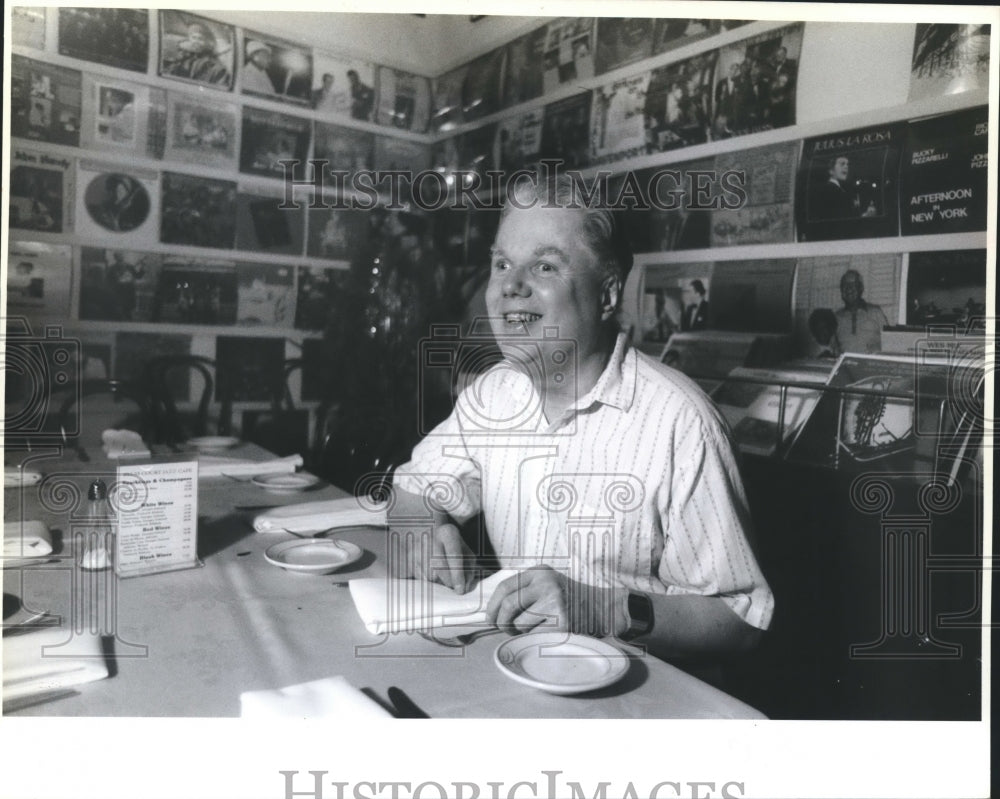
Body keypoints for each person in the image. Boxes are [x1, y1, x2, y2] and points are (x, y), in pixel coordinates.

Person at [389, 173, 773, 662]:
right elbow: (411, 490)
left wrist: (602, 608)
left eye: (544, 266)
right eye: (502, 263)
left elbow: (742, 620)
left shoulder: (684, 424)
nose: (510, 286)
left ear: (608, 294)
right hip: (520, 676)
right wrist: (428, 531)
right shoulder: (493, 395)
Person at [834, 269, 888, 354]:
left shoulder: (876, 312)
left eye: (853, 284)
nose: (849, 289)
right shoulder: (835, 318)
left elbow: (890, 343)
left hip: (871, 365)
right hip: (846, 366)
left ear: (861, 288)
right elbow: (833, 350)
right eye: (844, 285)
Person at [163, 21, 231, 86]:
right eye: (194, 37)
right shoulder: (180, 58)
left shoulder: (216, 66)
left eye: (200, 39)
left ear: (206, 42)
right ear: (189, 39)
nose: (196, 42)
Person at [811, 156, 876, 220]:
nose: (846, 167)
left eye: (847, 164)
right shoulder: (831, 190)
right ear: (831, 171)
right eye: (842, 164)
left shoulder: (840, 189)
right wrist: (864, 216)